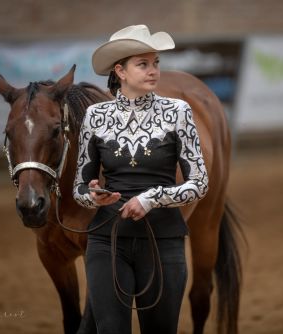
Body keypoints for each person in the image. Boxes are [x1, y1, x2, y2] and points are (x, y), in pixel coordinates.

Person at [72, 24, 208, 334]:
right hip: (107, 241)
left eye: (156, 63)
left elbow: (199, 183)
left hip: (164, 244)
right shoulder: (96, 116)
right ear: (120, 70)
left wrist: (151, 199)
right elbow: (79, 187)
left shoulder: (179, 112)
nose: (153, 71)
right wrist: (92, 196)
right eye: (143, 64)